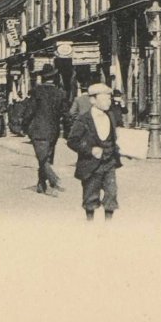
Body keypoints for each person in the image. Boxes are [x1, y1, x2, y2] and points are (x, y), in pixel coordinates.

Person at [66, 83, 123, 221]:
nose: (108, 102)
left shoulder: (111, 116)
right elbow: (72, 141)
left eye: (109, 99)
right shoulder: (83, 119)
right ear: (93, 100)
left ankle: (109, 224)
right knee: (91, 195)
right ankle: (90, 223)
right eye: (104, 99)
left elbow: (114, 136)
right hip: (91, 165)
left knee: (111, 193)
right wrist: (89, 149)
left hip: (109, 162)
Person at [25, 65, 69, 194]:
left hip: (37, 129)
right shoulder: (61, 93)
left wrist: (24, 125)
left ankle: (51, 178)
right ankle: (41, 183)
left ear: (43, 78)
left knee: (42, 158)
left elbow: (29, 111)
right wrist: (67, 130)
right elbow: (65, 113)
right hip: (53, 131)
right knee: (46, 157)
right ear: (54, 78)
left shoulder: (36, 92)